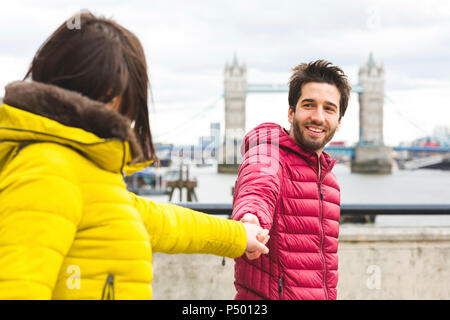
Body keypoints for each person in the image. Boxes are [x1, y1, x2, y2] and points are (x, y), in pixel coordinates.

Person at [0, 12, 269, 300]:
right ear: (110, 93)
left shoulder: (88, 171)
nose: (130, 117)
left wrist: (239, 236)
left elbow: (166, 223)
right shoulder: (49, 170)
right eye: (130, 97)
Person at [232, 60, 351, 300]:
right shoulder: (267, 154)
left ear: (338, 122)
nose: (318, 117)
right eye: (309, 105)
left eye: (329, 109)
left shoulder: (329, 181)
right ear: (291, 112)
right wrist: (250, 219)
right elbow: (258, 186)